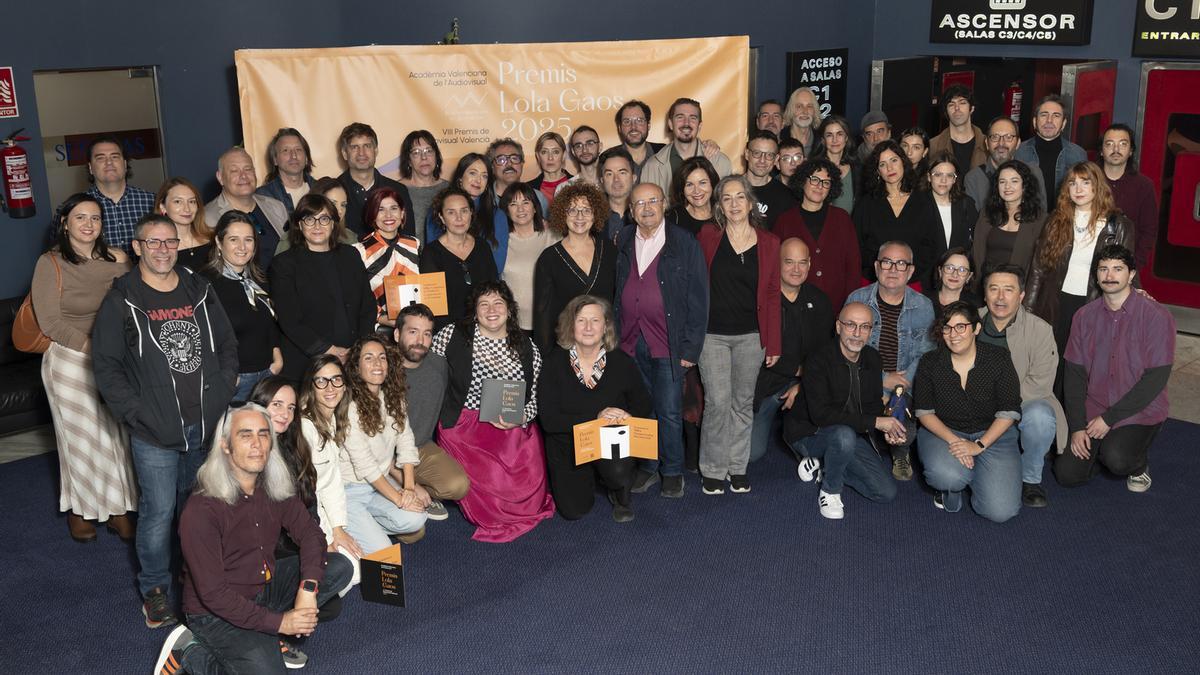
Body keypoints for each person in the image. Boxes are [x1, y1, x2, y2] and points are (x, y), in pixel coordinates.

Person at [92, 213, 239, 629]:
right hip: (155, 431)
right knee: (158, 513)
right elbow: (106, 366)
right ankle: (155, 591)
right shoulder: (121, 299)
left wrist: (224, 388)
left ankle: (199, 578)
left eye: (169, 242)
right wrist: (137, 414)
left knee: (199, 509)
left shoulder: (198, 288)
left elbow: (227, 343)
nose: (162, 250)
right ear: (137, 247)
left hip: (205, 424)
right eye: (152, 243)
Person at [153, 404, 354, 675]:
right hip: (214, 613)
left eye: (263, 434)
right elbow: (214, 595)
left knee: (341, 565)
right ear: (225, 445)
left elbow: (311, 535)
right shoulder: (201, 509)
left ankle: (265, 633)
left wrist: (308, 591)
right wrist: (282, 623)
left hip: (262, 587)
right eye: (245, 435)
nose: (257, 444)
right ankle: (189, 653)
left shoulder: (274, 485)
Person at [32, 193, 134, 544]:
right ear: (65, 223)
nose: (89, 224)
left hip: (114, 358)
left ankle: (119, 508)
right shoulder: (51, 263)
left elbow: (130, 306)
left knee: (114, 436)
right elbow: (50, 322)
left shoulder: (118, 259)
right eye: (80, 218)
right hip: (70, 359)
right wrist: (95, 349)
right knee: (80, 441)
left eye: (95, 218)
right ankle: (79, 510)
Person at [431, 281, 554, 542]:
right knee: (493, 488)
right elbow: (428, 375)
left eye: (498, 303)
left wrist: (521, 417)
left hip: (510, 422)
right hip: (464, 425)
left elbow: (535, 398)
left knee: (528, 493)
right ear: (474, 311)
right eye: (483, 304)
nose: (491, 310)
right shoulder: (453, 335)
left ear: (509, 309)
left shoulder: (526, 347)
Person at [1055, 245, 1174, 492]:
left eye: (1117, 269)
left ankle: (1138, 464)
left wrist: (1109, 419)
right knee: (1067, 474)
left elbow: (1155, 379)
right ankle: (1102, 452)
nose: (1109, 275)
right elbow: (1074, 375)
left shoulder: (1156, 316)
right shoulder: (1084, 316)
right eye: (1104, 269)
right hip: (1094, 407)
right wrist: (1077, 426)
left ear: (1131, 275)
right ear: (1096, 275)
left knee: (1118, 459)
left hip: (1139, 411)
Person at [616, 183, 709, 498]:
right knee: (642, 410)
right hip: (630, 339)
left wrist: (691, 347)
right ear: (631, 211)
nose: (646, 208)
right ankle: (648, 467)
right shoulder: (624, 239)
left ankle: (671, 470)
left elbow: (699, 299)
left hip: (668, 342)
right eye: (639, 203)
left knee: (668, 410)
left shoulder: (684, 243)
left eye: (652, 201)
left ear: (665, 204)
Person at [696, 175, 782, 495]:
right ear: (719, 205)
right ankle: (714, 468)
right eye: (726, 198)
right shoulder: (706, 236)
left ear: (750, 202)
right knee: (718, 402)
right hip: (712, 335)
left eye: (739, 197)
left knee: (742, 403)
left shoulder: (770, 242)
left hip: (751, 336)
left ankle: (738, 466)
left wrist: (773, 341)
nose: (734, 204)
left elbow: (773, 294)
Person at [538, 295, 653, 522]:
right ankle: (592, 475)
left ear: (606, 326)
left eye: (595, 320)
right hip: (568, 446)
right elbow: (550, 420)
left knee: (618, 474)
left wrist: (627, 417)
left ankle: (619, 493)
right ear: (571, 326)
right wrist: (597, 417)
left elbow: (644, 404)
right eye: (581, 320)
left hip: (610, 440)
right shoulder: (554, 363)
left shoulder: (621, 362)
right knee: (574, 511)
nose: (588, 327)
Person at [784, 302, 902, 519]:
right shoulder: (818, 359)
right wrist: (875, 422)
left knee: (886, 492)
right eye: (850, 325)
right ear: (838, 327)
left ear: (871, 331)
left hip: (848, 434)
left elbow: (872, 406)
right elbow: (821, 416)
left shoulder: (873, 359)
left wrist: (887, 424)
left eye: (864, 327)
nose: (857, 334)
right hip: (809, 432)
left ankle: (823, 464)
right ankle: (830, 491)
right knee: (843, 434)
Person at [915, 301, 1023, 522]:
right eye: (947, 327)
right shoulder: (930, 362)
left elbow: (1009, 410)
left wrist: (978, 445)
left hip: (992, 434)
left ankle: (978, 477)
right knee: (948, 476)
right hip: (945, 433)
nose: (953, 334)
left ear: (976, 328)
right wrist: (957, 443)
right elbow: (924, 411)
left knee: (1000, 512)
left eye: (961, 326)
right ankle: (951, 488)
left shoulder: (999, 358)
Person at [977, 264, 1066, 508]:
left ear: (1022, 295)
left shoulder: (1040, 330)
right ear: (985, 294)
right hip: (975, 405)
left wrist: (1000, 406)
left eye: (1009, 290)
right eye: (993, 289)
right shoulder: (970, 323)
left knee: (1041, 417)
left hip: (1024, 403)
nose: (1000, 297)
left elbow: (1040, 384)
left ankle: (1030, 479)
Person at [846, 241, 936, 480]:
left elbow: (925, 355)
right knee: (848, 425)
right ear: (876, 267)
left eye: (901, 263)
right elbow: (845, 352)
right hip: (862, 380)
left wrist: (897, 389)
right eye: (887, 262)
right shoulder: (858, 299)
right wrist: (882, 381)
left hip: (904, 384)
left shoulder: (924, 307)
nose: (893, 269)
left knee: (903, 430)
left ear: (911, 271)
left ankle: (900, 452)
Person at [1025, 162, 1135, 353]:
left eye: (1085, 182)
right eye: (1072, 183)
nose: (1078, 189)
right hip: (1056, 301)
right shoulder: (1055, 220)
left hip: (1094, 302)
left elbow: (1124, 273)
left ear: (1097, 186)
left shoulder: (1118, 226)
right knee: (1052, 361)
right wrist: (1027, 308)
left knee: (1083, 364)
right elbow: (1038, 268)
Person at [269, 194, 375, 383]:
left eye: (324, 219)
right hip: (306, 364)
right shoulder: (284, 264)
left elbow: (367, 307)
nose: (317, 226)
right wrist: (328, 351)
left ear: (334, 223)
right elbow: (290, 320)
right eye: (310, 219)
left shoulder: (350, 255)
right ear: (299, 225)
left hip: (352, 360)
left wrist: (357, 349)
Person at [339, 337, 429, 552]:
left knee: (417, 519)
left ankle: (365, 524)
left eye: (382, 357)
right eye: (368, 358)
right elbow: (366, 466)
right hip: (350, 490)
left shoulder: (392, 397)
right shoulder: (348, 405)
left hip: (379, 486)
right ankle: (345, 523)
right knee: (383, 551)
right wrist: (399, 499)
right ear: (356, 367)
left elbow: (406, 441)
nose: (377, 364)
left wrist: (408, 488)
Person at [749, 238, 833, 463]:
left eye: (802, 262)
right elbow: (754, 353)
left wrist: (803, 383)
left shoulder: (820, 301)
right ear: (776, 263)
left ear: (809, 264)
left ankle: (802, 445)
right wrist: (796, 370)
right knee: (750, 454)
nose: (796, 269)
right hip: (765, 385)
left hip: (806, 384)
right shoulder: (760, 300)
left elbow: (827, 353)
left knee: (820, 440)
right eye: (789, 262)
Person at [393, 304, 471, 519]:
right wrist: (409, 483)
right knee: (411, 530)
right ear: (397, 334)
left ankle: (421, 493)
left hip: (420, 448)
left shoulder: (439, 366)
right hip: (384, 457)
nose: (420, 341)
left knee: (458, 486)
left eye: (427, 334)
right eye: (412, 332)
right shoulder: (381, 371)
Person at [201, 211, 283, 402]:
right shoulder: (205, 283)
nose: (242, 247)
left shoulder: (258, 278)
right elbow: (204, 337)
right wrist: (228, 375)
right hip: (235, 381)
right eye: (233, 239)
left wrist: (276, 358)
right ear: (219, 243)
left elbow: (270, 323)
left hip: (267, 375)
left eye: (248, 239)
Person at [532, 182, 617, 355]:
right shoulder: (549, 258)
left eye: (586, 210)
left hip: (605, 345)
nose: (580, 216)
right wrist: (546, 358)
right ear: (563, 214)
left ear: (595, 215)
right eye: (572, 210)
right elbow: (543, 315)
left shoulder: (610, 251)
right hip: (565, 347)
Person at [773, 158, 860, 309]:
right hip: (795, 306)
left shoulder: (842, 218)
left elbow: (853, 264)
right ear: (803, 181)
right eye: (814, 179)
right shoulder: (784, 220)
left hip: (837, 305)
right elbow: (774, 264)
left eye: (826, 182)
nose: (820, 186)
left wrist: (850, 303)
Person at [297, 356, 362, 555]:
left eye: (336, 379)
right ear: (311, 387)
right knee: (350, 570)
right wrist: (326, 538)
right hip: (307, 512)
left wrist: (338, 529)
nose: (330, 388)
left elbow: (332, 483)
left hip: (325, 508)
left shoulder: (332, 419)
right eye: (321, 381)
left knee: (359, 559)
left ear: (344, 385)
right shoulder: (304, 428)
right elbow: (306, 495)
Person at [853, 139, 937, 285]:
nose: (889, 168)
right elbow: (857, 247)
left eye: (894, 160)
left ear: (903, 162)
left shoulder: (923, 202)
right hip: (873, 282)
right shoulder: (866, 204)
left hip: (913, 283)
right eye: (882, 164)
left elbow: (930, 246)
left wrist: (907, 272)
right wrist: (882, 269)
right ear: (878, 171)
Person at [419, 186, 500, 330]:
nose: (459, 218)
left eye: (464, 211)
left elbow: (494, 290)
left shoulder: (482, 247)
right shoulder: (431, 253)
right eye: (451, 212)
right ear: (442, 217)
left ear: (471, 213)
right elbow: (434, 307)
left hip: (485, 328)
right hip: (447, 332)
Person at [205, 147, 288, 270]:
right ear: (220, 177)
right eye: (234, 171)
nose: (243, 176)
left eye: (248, 169)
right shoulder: (207, 218)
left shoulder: (276, 207)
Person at [353, 187, 421, 329]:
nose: (388, 215)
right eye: (381, 209)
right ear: (372, 214)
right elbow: (356, 297)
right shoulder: (359, 250)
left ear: (402, 213)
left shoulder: (414, 244)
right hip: (378, 329)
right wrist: (382, 318)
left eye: (394, 208)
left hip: (415, 325)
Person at [336, 122, 414, 239]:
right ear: (344, 154)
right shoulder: (333, 191)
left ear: (376, 151)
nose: (361, 153)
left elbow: (408, 239)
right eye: (354, 147)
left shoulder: (398, 190)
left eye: (367, 146)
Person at [972, 160, 1046, 281]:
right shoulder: (986, 213)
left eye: (1014, 181)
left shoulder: (1040, 220)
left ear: (1025, 186)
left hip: (1019, 289)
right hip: (986, 284)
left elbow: (1039, 264)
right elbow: (977, 254)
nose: (1007, 186)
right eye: (1002, 182)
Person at [500, 182, 559, 332]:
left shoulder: (553, 235)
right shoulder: (501, 241)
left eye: (526, 202)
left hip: (550, 321)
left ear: (535, 207)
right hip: (513, 324)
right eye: (513, 204)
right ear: (506, 210)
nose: (520, 209)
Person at [641, 97, 732, 193]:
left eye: (693, 118)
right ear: (670, 124)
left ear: (699, 126)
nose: (686, 123)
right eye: (680, 117)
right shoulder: (651, 167)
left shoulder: (720, 163)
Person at [1100, 123, 1158, 269]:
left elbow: (1149, 230)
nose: (1116, 149)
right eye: (1109, 144)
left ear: (1131, 150)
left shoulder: (1144, 186)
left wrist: (1135, 264)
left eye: (1123, 144)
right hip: (1089, 263)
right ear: (1101, 150)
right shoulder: (1088, 181)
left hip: (1125, 265)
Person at [84, 135, 155, 252]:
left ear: (125, 164)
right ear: (90, 167)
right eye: (100, 158)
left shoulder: (152, 201)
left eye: (115, 157)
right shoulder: (75, 209)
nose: (109, 162)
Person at [964, 116, 1049, 212]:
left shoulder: (1033, 173)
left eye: (1008, 137)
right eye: (995, 137)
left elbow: (1041, 218)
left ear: (1018, 143)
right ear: (987, 143)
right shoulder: (973, 178)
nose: (1001, 143)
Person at [1014, 94, 1088, 198]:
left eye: (1056, 116)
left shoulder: (1078, 155)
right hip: (1029, 213)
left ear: (1063, 123)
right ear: (1035, 122)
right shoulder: (1019, 152)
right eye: (1044, 115)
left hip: (1065, 213)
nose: (1049, 120)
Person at [274, 177, 357, 256]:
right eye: (333, 203)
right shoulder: (289, 240)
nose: (339, 210)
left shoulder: (349, 238)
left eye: (343, 205)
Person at [424, 152, 493, 244]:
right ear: (460, 178)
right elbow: (432, 250)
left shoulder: (497, 215)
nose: (478, 180)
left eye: (484, 176)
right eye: (473, 173)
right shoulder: (437, 209)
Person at [924, 152, 979, 264]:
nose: (943, 180)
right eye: (938, 175)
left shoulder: (967, 204)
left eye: (949, 175)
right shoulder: (918, 204)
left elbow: (975, 241)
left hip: (957, 272)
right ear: (929, 177)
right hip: (926, 274)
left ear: (955, 179)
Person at [398, 130, 449, 242]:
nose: (424, 157)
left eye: (429, 151)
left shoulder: (449, 189)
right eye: (416, 152)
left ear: (436, 156)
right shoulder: (396, 190)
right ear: (409, 161)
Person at [154, 177, 213, 272]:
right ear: (163, 207)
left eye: (192, 201)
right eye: (178, 201)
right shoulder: (156, 248)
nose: (187, 209)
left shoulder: (213, 239)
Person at [742, 130, 795, 231]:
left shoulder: (786, 197)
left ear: (776, 159)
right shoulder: (730, 189)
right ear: (747, 154)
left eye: (769, 155)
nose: (762, 160)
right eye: (757, 153)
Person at [929, 85, 988, 173]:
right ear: (946, 112)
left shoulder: (987, 144)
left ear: (971, 108)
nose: (957, 108)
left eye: (962, 103)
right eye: (951, 104)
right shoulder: (933, 146)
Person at [256, 127, 315, 213]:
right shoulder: (263, 196)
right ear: (275, 160)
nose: (293, 155)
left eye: (298, 150)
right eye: (286, 150)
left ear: (306, 158)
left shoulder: (321, 190)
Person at [810, 115, 858, 213]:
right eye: (829, 135)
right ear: (823, 140)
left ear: (846, 138)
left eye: (839, 134)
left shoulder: (857, 168)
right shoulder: (813, 168)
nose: (835, 140)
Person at [667, 156, 720, 236]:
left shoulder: (723, 213)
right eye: (689, 185)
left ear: (712, 183)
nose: (697, 191)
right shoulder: (673, 218)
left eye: (702, 183)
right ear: (682, 189)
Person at [924, 247, 980, 317]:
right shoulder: (923, 301)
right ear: (940, 271)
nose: (955, 274)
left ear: (969, 276)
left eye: (962, 270)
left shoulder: (976, 306)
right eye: (950, 268)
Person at [615, 99, 665, 173]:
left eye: (639, 121)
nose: (633, 127)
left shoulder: (664, 152)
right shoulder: (608, 158)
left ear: (648, 125)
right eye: (627, 122)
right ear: (620, 128)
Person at [598, 147, 636, 240]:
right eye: (609, 174)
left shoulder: (645, 211)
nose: (616, 179)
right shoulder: (592, 215)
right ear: (602, 180)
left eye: (622, 173)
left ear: (634, 178)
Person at [529, 131, 572, 204]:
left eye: (555, 152)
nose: (550, 158)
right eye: (544, 152)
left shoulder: (578, 184)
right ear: (538, 156)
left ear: (564, 155)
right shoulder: (528, 189)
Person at [780, 88, 821, 156]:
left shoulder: (822, 142)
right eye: (799, 106)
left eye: (809, 106)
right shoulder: (779, 139)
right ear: (791, 110)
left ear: (814, 111)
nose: (805, 111)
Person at [563, 125, 603, 189]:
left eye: (590, 143)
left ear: (600, 147)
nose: (584, 150)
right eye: (578, 146)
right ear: (573, 151)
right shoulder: (565, 188)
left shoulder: (613, 183)